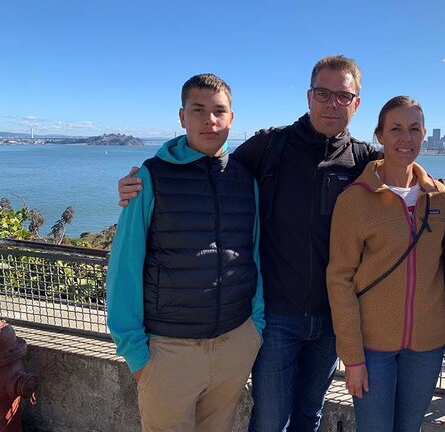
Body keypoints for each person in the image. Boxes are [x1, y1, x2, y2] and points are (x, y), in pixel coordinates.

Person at [117, 56, 380, 431]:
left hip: (329, 318)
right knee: (271, 421)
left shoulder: (362, 159)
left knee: (310, 415)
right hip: (275, 319)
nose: (331, 103)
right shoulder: (268, 147)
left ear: (356, 104)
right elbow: (203, 159)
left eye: (343, 96)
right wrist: (139, 180)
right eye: (323, 93)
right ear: (309, 96)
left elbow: (406, 170)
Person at [107, 73, 265, 432]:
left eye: (219, 111)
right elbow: (124, 267)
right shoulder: (149, 178)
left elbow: (254, 254)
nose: (210, 120)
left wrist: (256, 325)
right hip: (169, 353)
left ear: (231, 118)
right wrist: (136, 353)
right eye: (198, 110)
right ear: (182, 117)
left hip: (235, 343)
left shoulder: (245, 179)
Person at [326, 96, 445, 431]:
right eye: (395, 129)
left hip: (426, 346)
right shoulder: (355, 200)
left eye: (413, 129)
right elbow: (340, 280)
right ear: (380, 135)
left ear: (425, 134)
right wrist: (351, 356)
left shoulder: (439, 197)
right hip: (372, 347)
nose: (405, 138)